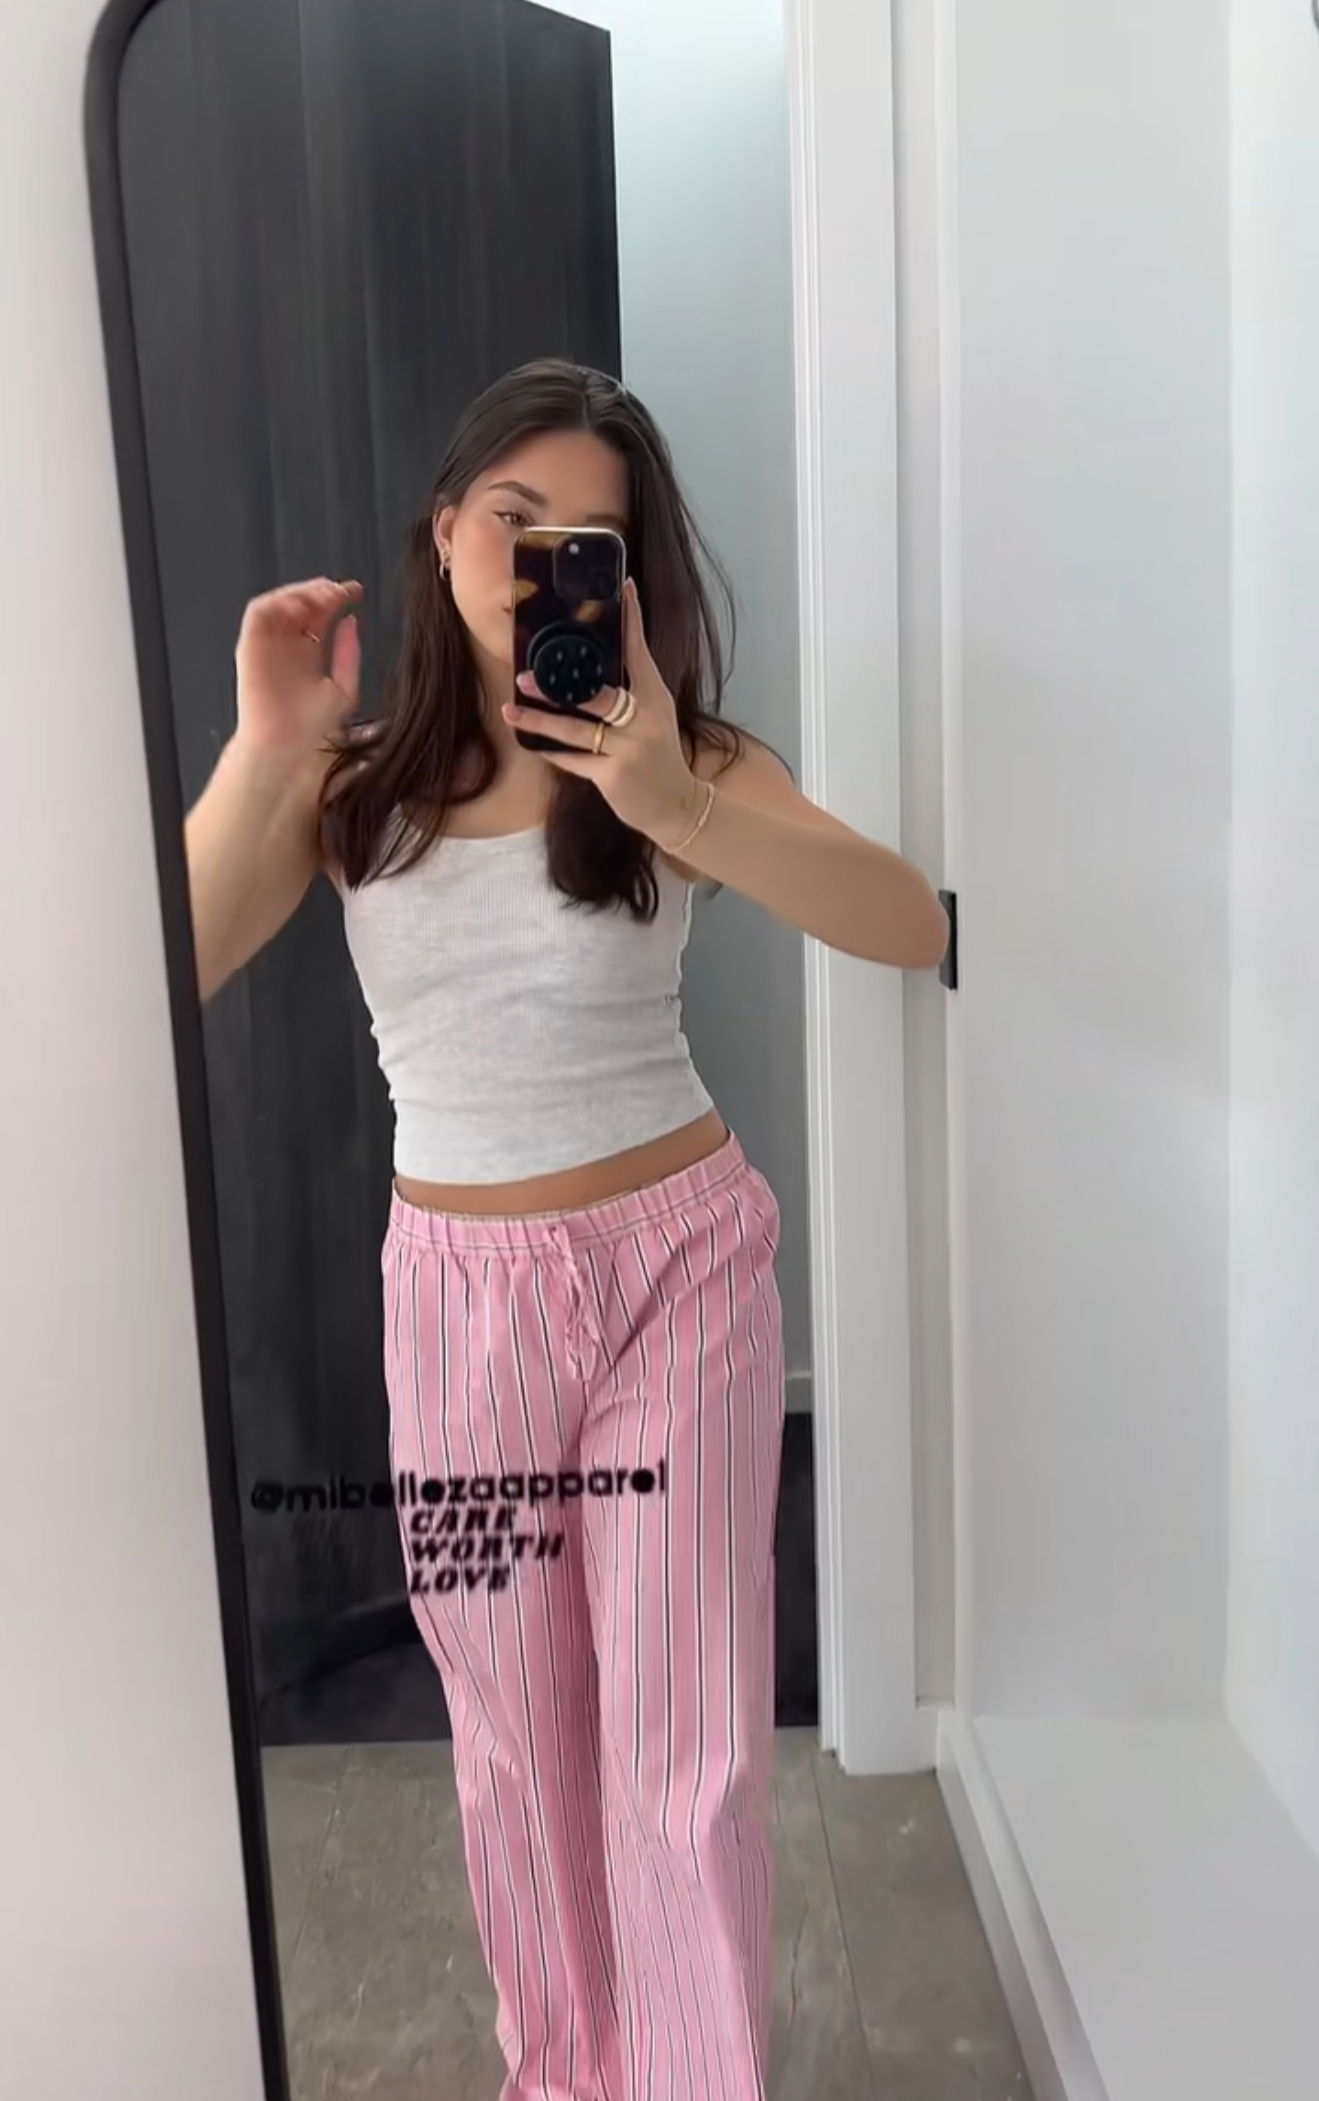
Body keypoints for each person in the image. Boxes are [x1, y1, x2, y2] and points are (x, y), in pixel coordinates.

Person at [186, 359, 948, 2101]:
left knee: (686, 1747)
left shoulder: (683, 764)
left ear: (623, 576)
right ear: (443, 530)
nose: (537, 563)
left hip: (681, 1271)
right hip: (461, 1310)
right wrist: (258, 752)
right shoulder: (346, 792)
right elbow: (152, 973)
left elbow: (909, 925)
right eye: (511, 520)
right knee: (514, 1739)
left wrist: (677, 803)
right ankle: (566, 2077)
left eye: (582, 541)